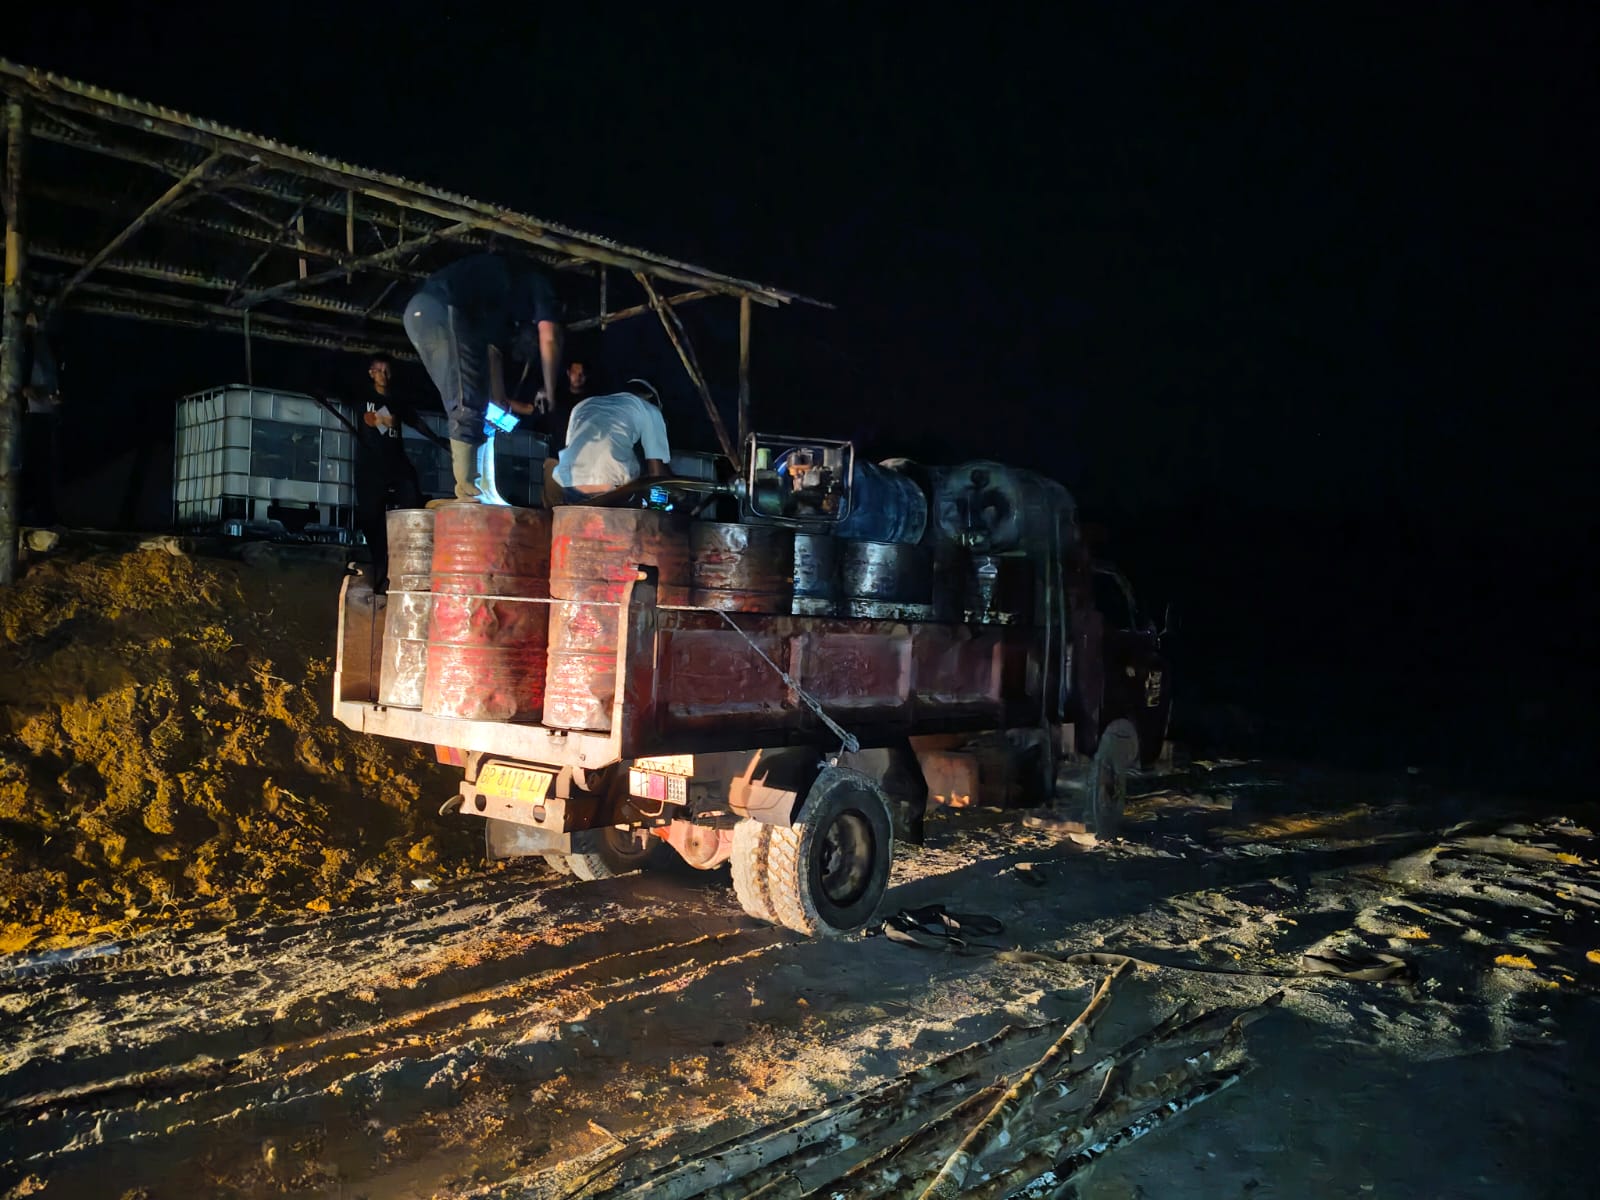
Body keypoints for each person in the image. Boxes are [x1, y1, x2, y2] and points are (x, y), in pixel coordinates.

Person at [402, 252, 563, 501]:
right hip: (443, 308)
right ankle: (466, 493)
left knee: (466, 397)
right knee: (466, 402)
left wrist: (498, 397)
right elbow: (550, 336)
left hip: (420, 313)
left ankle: (472, 488)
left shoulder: (499, 300)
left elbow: (492, 353)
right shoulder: (537, 281)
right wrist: (549, 392)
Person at [353, 353, 425, 593]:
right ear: (371, 373)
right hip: (371, 466)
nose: (383, 375)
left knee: (411, 494)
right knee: (371, 519)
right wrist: (385, 419)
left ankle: (406, 559)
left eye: (387, 371)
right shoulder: (365, 398)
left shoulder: (397, 400)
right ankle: (378, 572)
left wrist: (440, 441)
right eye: (378, 370)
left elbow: (412, 420)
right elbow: (371, 419)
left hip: (395, 463)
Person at [545, 379, 671, 506]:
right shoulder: (650, 410)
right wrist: (677, 491)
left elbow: (571, 449)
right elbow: (657, 474)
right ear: (651, 399)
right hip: (611, 489)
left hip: (572, 486)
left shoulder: (584, 405)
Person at [19, 314, 62, 527]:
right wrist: (23, 391)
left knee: (43, 466)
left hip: (45, 414)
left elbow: (56, 379)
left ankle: (44, 516)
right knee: (27, 465)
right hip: (28, 414)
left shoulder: (48, 344)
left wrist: (55, 396)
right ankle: (25, 514)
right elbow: (16, 382)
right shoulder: (20, 343)